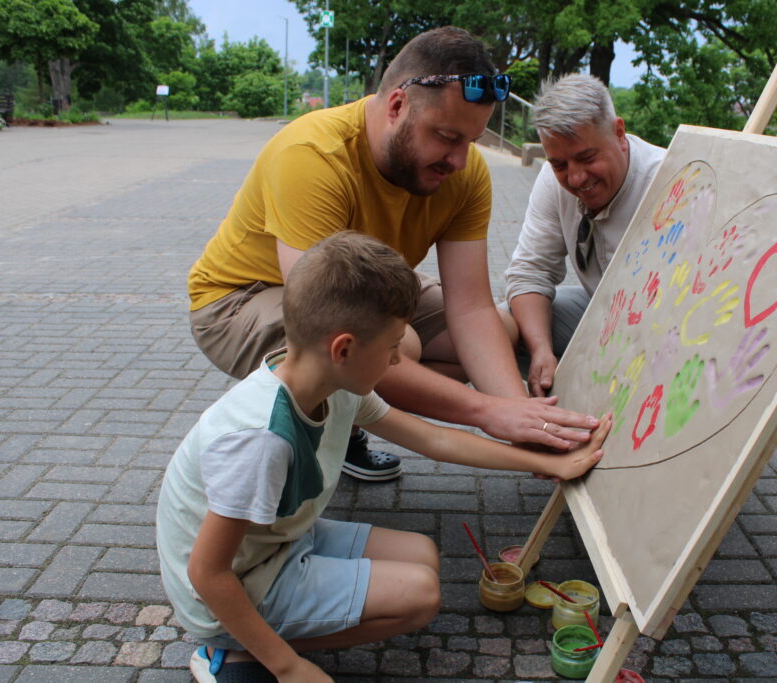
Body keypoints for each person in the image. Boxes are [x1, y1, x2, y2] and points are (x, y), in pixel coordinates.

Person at [158, 232, 612, 683]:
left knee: (423, 556)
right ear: (344, 348)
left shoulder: (326, 381)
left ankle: (265, 633)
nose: (398, 360)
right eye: (393, 345)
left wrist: (549, 463)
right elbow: (207, 571)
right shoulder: (262, 439)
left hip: (276, 543)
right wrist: (290, 668)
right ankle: (239, 649)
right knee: (419, 596)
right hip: (231, 586)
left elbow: (436, 441)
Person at [187, 27, 596, 483]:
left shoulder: (464, 173)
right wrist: (485, 412)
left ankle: (347, 411)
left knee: (500, 329)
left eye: (471, 141)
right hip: (247, 297)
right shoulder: (314, 155)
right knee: (392, 345)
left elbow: (472, 306)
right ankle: (329, 420)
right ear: (398, 106)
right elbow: (324, 320)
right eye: (446, 136)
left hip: (364, 284)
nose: (459, 161)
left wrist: (520, 418)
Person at [505, 74, 667, 397]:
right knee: (499, 325)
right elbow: (529, 273)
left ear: (619, 133)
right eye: (560, 164)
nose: (576, 178)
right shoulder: (553, 182)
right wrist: (541, 350)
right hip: (601, 310)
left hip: (662, 328)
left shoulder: (667, 181)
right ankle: (528, 418)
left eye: (587, 158)